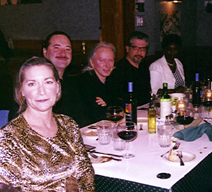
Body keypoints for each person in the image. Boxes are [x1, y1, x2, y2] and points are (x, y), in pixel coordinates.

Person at [0, 57, 95, 191]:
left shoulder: (69, 125)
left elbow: (86, 177)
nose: (42, 91)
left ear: (57, 86)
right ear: (22, 90)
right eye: (32, 84)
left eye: (48, 82)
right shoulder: (8, 138)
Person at [9, 31, 90, 127]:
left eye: (67, 49)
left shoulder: (73, 83)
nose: (63, 53)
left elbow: (82, 118)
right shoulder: (30, 84)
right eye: (56, 48)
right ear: (45, 52)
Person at [79, 42, 122, 124]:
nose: (107, 65)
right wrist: (111, 104)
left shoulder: (113, 79)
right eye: (102, 61)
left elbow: (121, 104)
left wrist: (107, 104)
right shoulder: (84, 81)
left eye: (111, 60)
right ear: (92, 62)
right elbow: (97, 114)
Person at [110, 31, 151, 106]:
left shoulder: (143, 66)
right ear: (127, 49)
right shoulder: (119, 70)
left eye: (143, 49)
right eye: (135, 48)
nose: (139, 52)